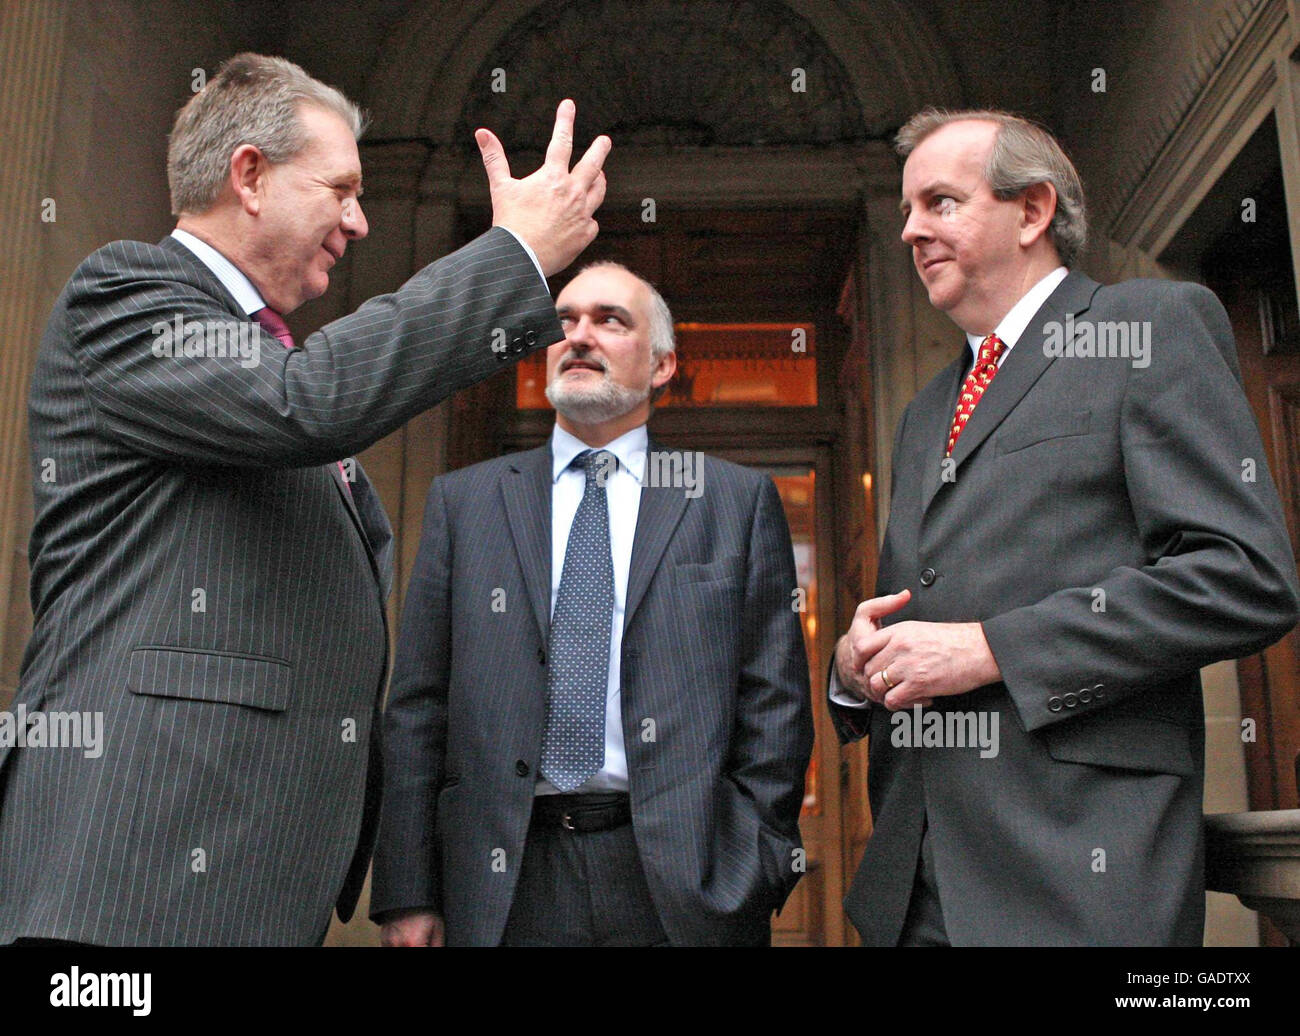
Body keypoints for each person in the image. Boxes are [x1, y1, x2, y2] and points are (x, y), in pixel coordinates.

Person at [0, 52, 610, 946]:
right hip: (132, 879)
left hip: (241, 882)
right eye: (343, 189)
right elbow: (310, 403)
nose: (361, 221)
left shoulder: (260, 353)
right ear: (249, 175)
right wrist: (512, 255)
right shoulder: (123, 298)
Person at [829, 108, 1300, 946]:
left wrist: (993, 648)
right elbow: (927, 612)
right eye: (906, 209)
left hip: (1076, 879)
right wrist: (856, 667)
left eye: (939, 203)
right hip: (913, 889)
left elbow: (1245, 577)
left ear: (1034, 210)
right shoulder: (927, 409)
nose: (909, 231)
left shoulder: (1148, 329)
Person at [372, 262, 814, 946]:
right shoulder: (466, 503)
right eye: (564, 321)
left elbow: (775, 706)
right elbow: (417, 707)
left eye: (609, 320)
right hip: (503, 884)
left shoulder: (732, 503)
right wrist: (407, 890)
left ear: (663, 364)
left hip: (680, 883)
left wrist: (748, 868)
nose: (578, 336)